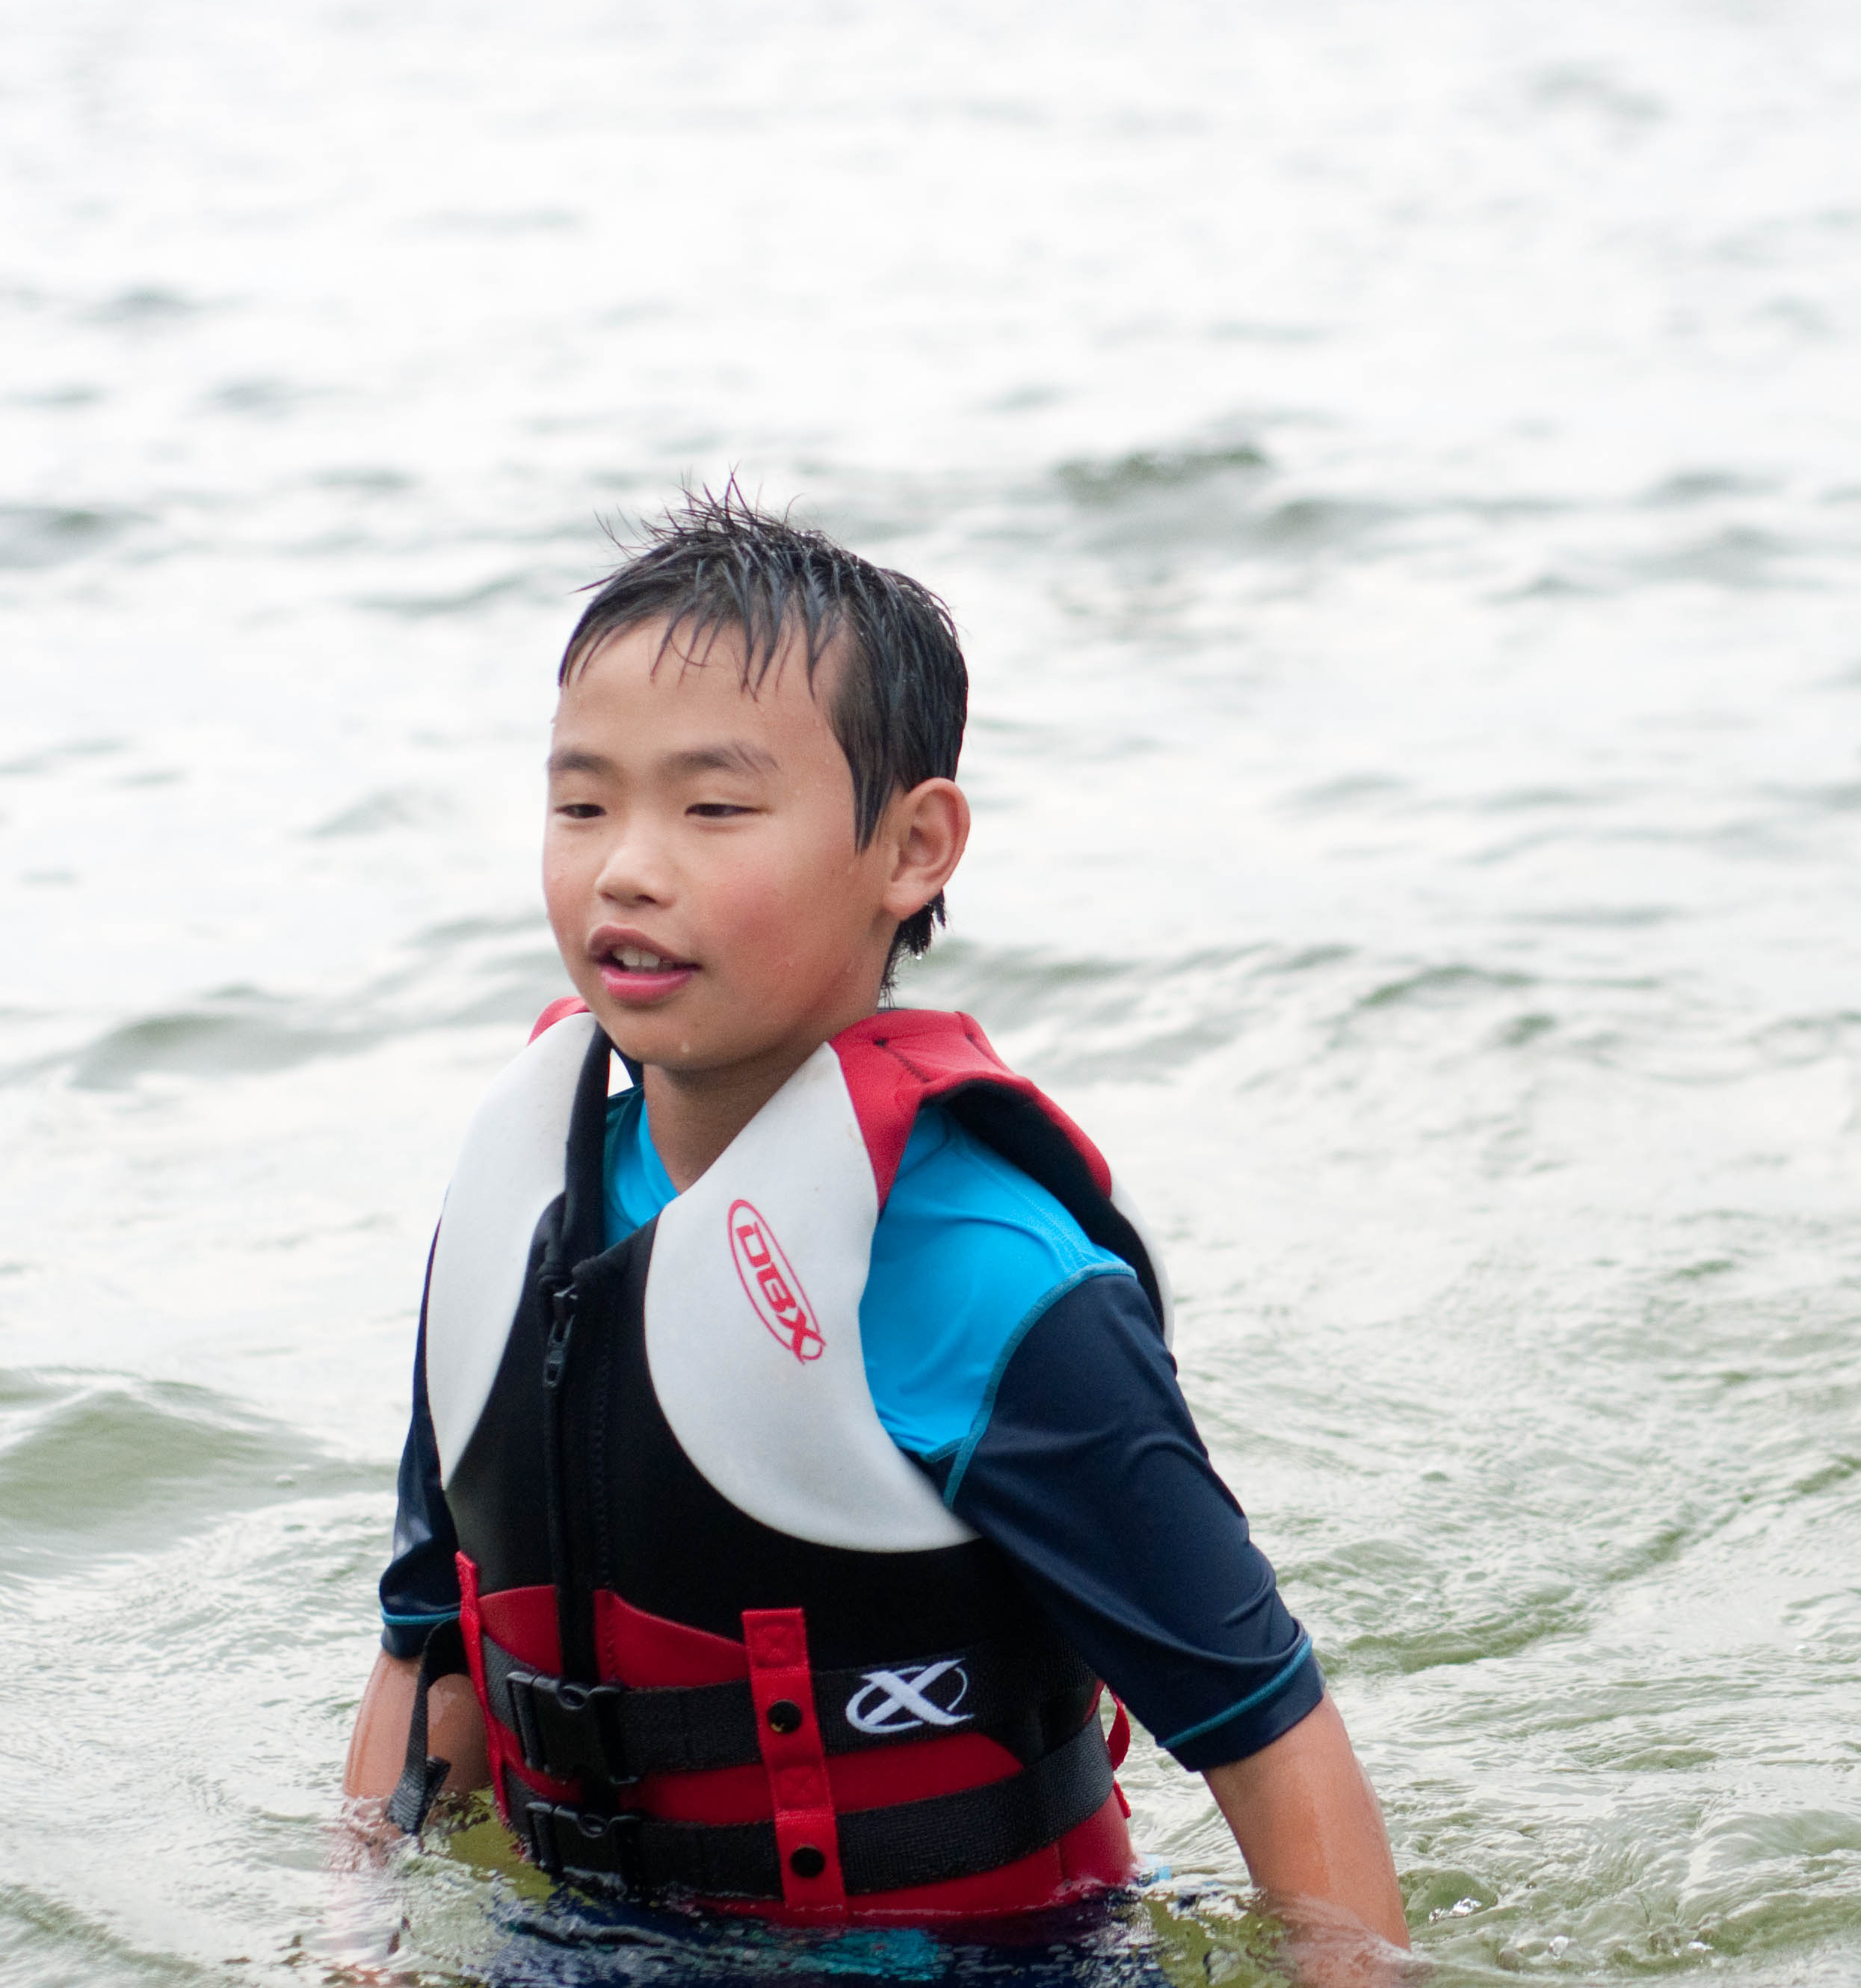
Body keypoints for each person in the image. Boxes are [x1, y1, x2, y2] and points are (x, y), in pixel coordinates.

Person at [340, 493, 1403, 1958]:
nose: (624, 866)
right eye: (583, 802)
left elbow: (1274, 1746)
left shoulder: (982, 1276)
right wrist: (350, 1940)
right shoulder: (516, 1202)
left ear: (913, 846)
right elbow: (430, 1654)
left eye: (712, 807)